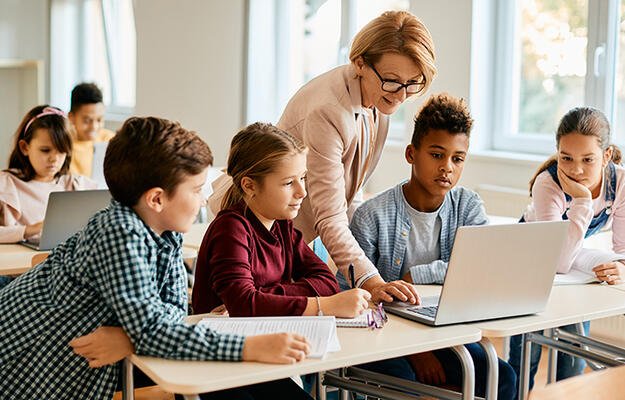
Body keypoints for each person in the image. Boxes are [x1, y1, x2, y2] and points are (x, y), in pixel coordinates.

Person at [0, 117, 312, 399]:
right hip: (23, 368)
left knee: (268, 385)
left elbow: (173, 315)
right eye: (196, 189)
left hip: (82, 369)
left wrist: (133, 338)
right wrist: (250, 346)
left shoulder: (166, 230)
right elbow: (155, 329)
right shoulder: (119, 232)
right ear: (157, 199)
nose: (205, 198)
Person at [210, 10, 435, 305]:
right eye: (392, 81)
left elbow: (348, 199)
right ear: (360, 64)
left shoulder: (380, 101)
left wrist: (371, 269)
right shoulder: (328, 110)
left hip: (290, 234)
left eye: (413, 82)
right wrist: (371, 279)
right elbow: (330, 215)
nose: (401, 95)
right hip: (256, 228)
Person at [348, 94, 516, 399]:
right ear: (412, 153)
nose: (447, 168)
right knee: (405, 378)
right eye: (437, 155)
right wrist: (417, 352)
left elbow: (478, 270)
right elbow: (358, 299)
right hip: (386, 338)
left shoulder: (467, 206)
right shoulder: (371, 216)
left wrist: (416, 275)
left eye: (457, 158)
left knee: (502, 375)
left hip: (447, 333)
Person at [193, 122, 371, 318]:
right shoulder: (230, 229)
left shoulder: (282, 225)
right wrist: (324, 306)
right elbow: (244, 304)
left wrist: (261, 298)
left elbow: (327, 283)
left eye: (302, 178)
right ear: (249, 186)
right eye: (288, 183)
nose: (302, 192)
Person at [509, 107, 625, 393]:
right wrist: (583, 200)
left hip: (568, 254)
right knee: (526, 358)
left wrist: (622, 266)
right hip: (531, 258)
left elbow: (622, 248)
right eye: (567, 158)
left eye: (588, 160)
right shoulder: (547, 183)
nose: (576, 170)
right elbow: (556, 261)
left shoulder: (620, 182)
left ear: (607, 156)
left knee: (573, 356)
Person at [0, 105, 96, 244]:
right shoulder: (7, 184)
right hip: (23, 260)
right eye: (45, 150)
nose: (54, 159)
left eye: (61, 151)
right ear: (25, 147)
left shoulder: (75, 184)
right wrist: (31, 229)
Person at [67, 82, 115, 177]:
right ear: (71, 117)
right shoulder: (63, 146)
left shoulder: (110, 140)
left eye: (99, 119)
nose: (94, 127)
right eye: (87, 120)